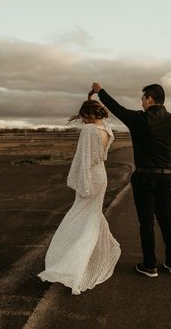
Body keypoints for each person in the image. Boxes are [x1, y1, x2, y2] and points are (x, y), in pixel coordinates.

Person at [90, 82, 171, 278]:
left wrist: (99, 91)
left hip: (144, 177)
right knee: (166, 220)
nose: (141, 103)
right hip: (165, 178)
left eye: (142, 99)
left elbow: (116, 108)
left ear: (150, 99)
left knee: (146, 221)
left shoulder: (138, 119)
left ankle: (150, 265)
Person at [37, 99, 121, 295]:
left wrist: (82, 184)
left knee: (78, 217)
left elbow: (84, 160)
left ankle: (75, 265)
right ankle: (92, 256)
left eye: (83, 117)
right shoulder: (107, 129)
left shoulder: (89, 131)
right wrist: (92, 96)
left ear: (90, 115)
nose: (82, 121)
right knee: (91, 217)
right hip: (101, 176)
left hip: (90, 177)